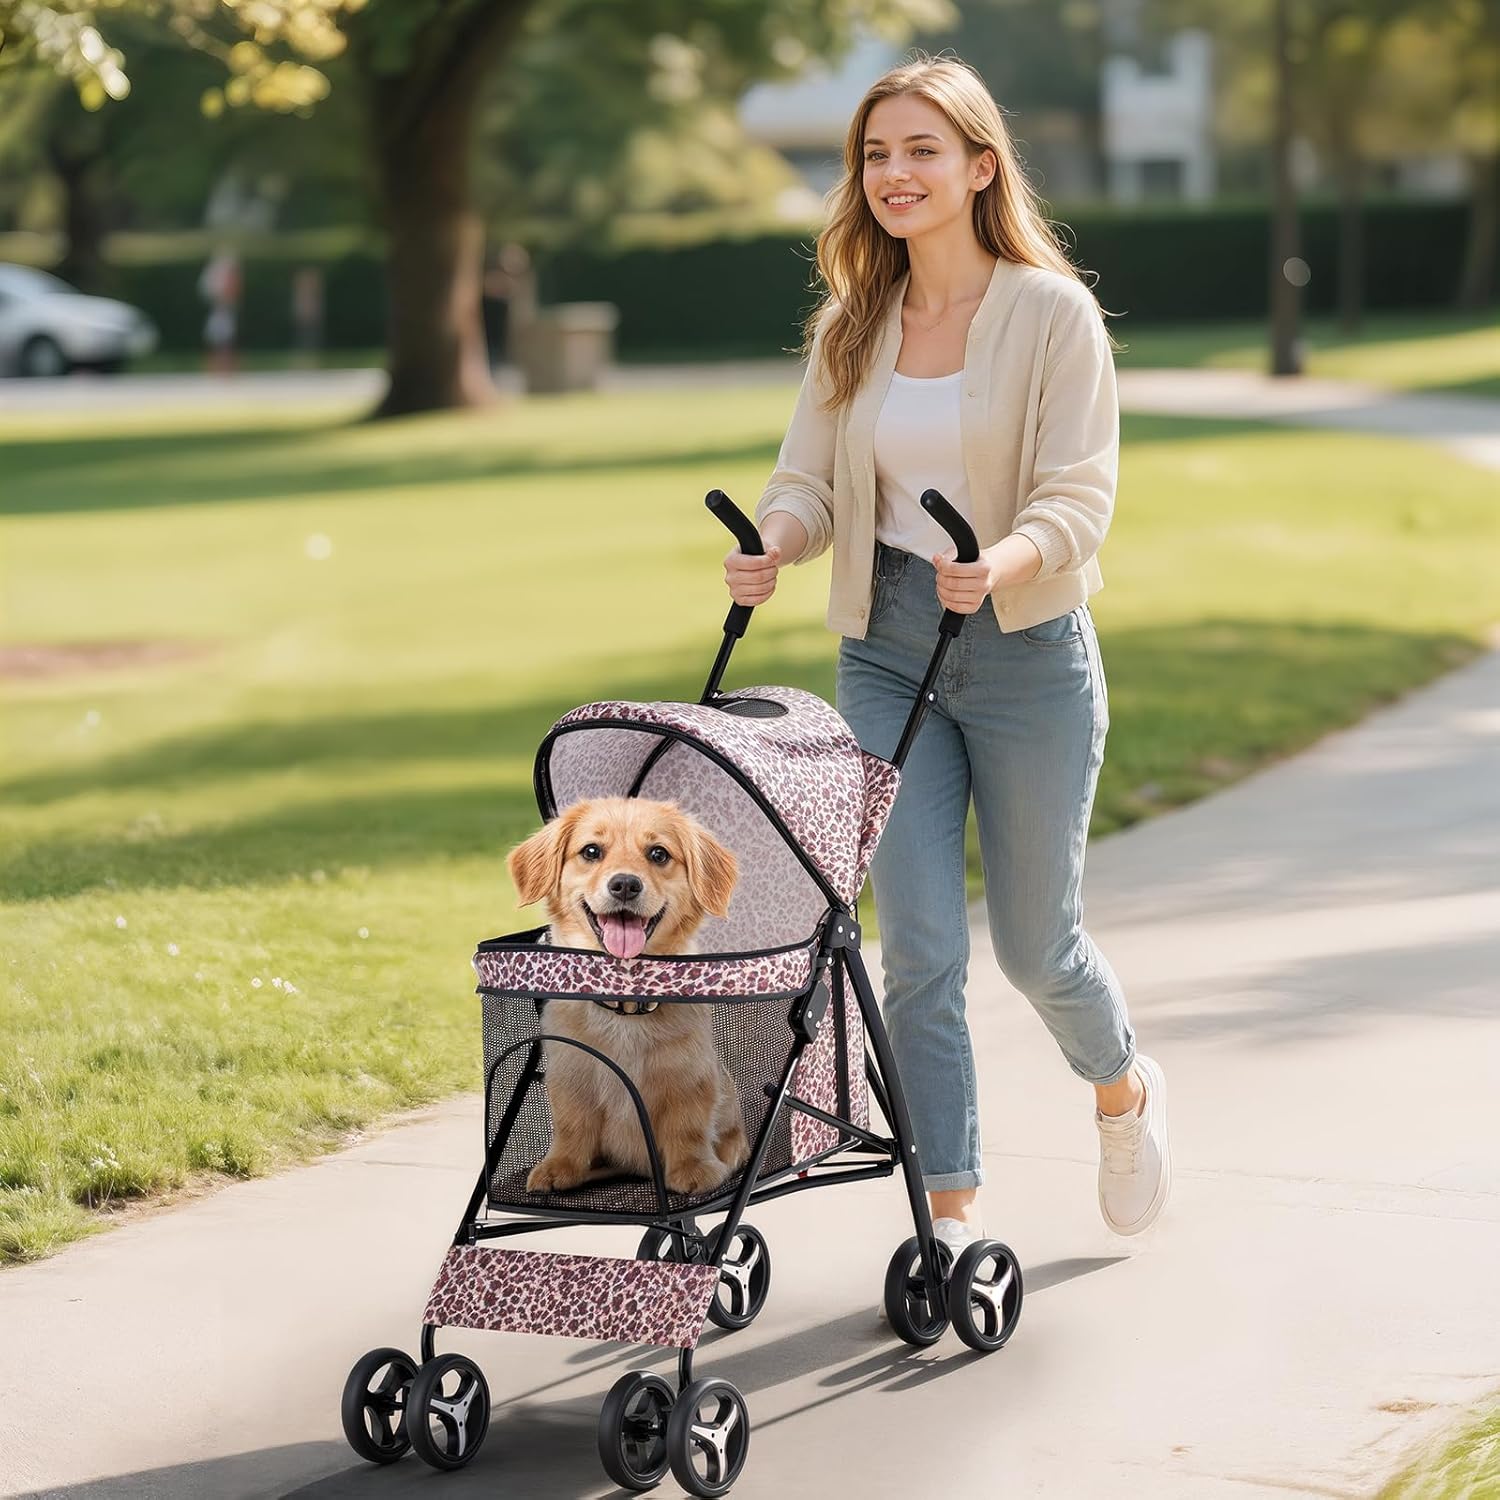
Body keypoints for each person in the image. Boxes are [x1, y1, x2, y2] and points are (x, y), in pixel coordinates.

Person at [726, 56, 1170, 1253]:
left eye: (923, 151)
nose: (894, 175)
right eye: (876, 154)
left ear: (982, 167)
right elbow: (810, 480)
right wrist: (775, 543)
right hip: (887, 649)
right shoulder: (853, 322)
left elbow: (1081, 494)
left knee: (1037, 947)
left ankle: (1123, 1089)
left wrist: (1010, 558)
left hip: (1026, 652)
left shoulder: (1051, 313)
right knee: (916, 948)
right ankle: (951, 1217)